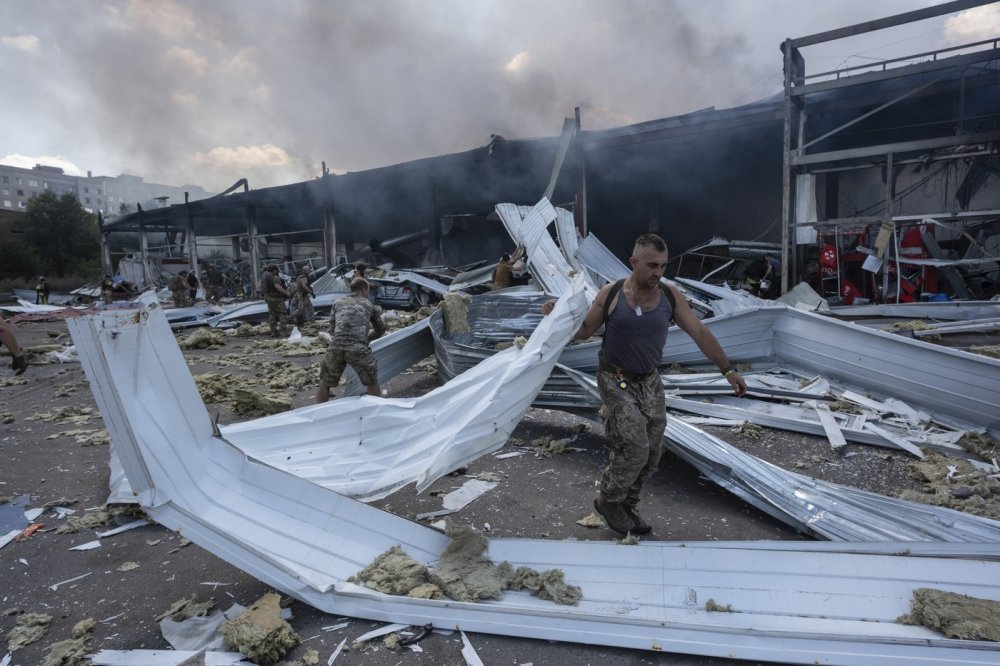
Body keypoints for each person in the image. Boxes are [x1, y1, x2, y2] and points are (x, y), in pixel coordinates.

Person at [542, 233, 747, 536]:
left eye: (663, 266)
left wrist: (728, 370)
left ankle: (627, 503)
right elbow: (584, 331)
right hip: (616, 379)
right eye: (652, 265)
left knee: (653, 451)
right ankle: (609, 500)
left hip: (649, 381)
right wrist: (557, 315)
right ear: (634, 262)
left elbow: (700, 332)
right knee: (635, 446)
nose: (658, 273)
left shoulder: (670, 295)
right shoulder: (611, 294)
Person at [316, 277, 386, 402]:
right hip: (358, 349)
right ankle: (375, 412)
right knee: (371, 382)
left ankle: (317, 415)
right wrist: (367, 339)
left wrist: (339, 340)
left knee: (325, 383)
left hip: (336, 347)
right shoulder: (368, 304)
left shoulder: (337, 302)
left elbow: (331, 328)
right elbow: (380, 329)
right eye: (368, 290)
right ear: (364, 289)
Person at [261, 263, 290, 337]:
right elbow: (277, 286)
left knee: (272, 314)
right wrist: (286, 293)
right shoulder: (274, 277)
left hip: (268, 297)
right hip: (276, 298)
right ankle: (283, 331)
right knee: (282, 313)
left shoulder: (264, 277)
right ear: (274, 270)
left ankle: (273, 332)